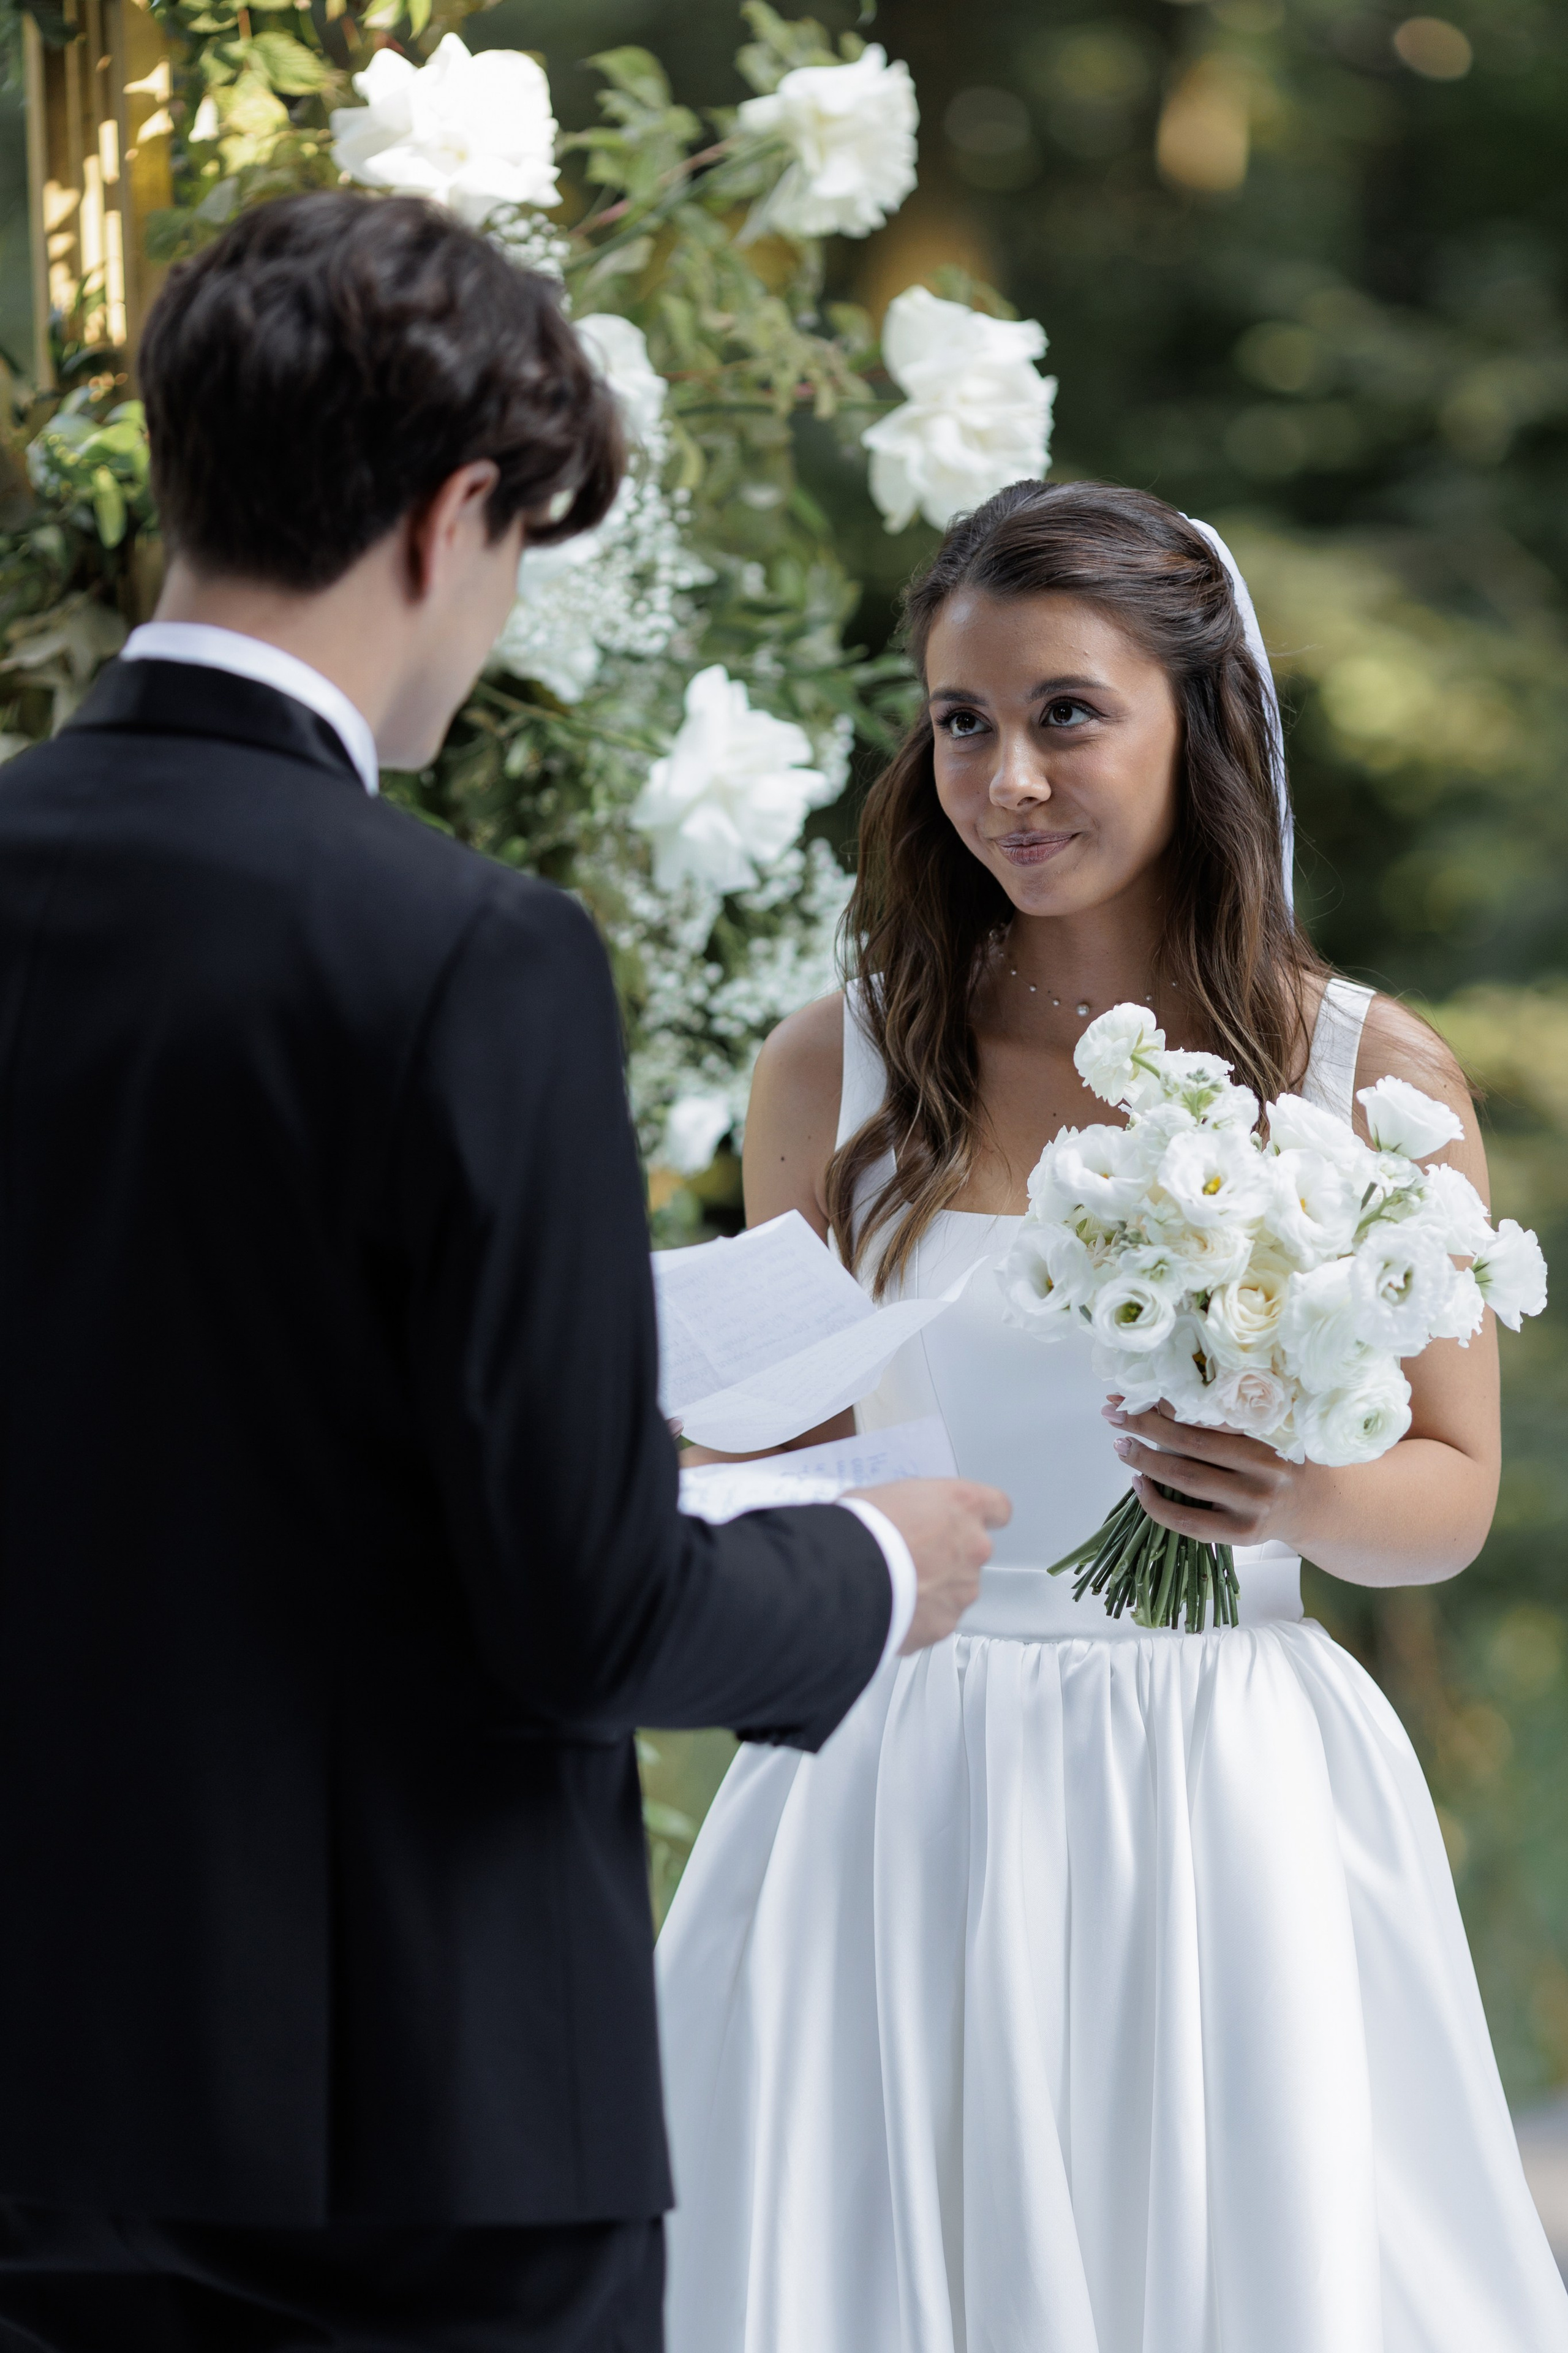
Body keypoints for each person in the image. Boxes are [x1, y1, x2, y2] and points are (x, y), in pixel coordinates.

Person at [0, 191, 1008, 2353]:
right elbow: (582, 1600)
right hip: (403, 2122)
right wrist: (871, 1567)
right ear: (459, 514)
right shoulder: (464, 954)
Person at [657, 479, 1568, 2352]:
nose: (1009, 779)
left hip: (1220, 1786)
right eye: (963, 722)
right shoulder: (835, 1063)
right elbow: (771, 1447)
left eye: (1069, 712)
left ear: (1201, 719)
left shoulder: (1357, 1070)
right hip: (891, 1782)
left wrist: (1296, 1482)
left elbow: (1454, 1491)